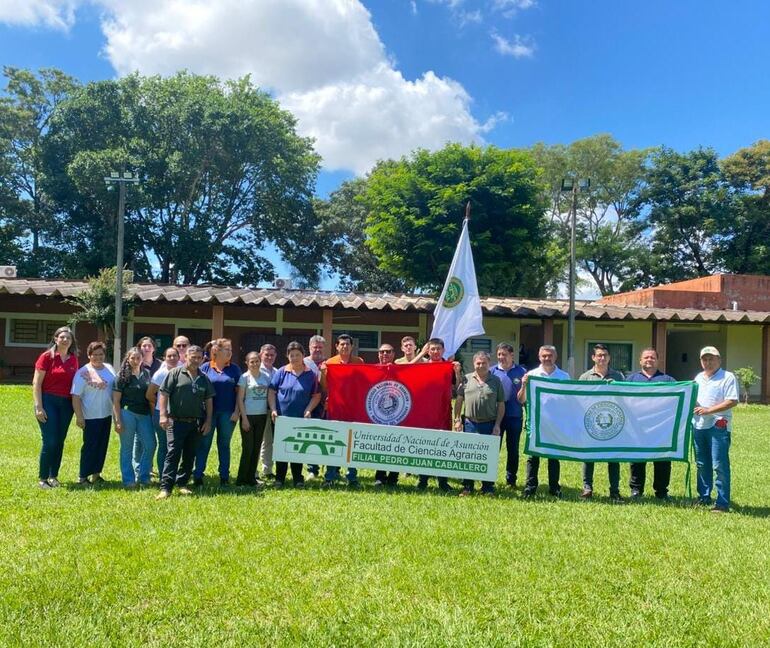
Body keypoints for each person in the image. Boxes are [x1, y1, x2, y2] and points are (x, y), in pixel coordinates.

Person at [156, 345, 214, 499]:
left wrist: (208, 421)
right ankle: (165, 487)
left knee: (190, 454)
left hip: (195, 423)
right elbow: (163, 394)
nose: (196, 360)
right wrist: (163, 415)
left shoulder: (204, 377)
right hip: (176, 422)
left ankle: (182, 483)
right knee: (173, 454)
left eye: (199, 358)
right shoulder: (175, 373)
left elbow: (209, 400)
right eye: (193, 357)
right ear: (186, 357)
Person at [517, 345, 570, 498]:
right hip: (536, 422)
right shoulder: (532, 375)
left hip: (555, 423)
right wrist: (524, 384)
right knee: (533, 456)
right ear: (539, 357)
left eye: (550, 355)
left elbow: (569, 400)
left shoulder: (564, 376)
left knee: (553, 456)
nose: (547, 358)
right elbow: (521, 399)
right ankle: (530, 486)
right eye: (544, 356)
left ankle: (554, 487)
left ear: (556, 356)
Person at [268, 341, 322, 488]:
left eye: (297, 355)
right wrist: (273, 408)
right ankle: (280, 478)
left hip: (300, 419)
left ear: (303, 356)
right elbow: (272, 391)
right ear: (287, 356)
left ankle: (298, 478)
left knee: (297, 449)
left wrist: (309, 409)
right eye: (292, 355)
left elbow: (316, 395)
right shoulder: (281, 372)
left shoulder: (310, 374)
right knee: (281, 449)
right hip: (281, 418)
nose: (295, 358)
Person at [692, 346, 738, 513]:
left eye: (711, 359)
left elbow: (732, 401)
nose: (708, 362)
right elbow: (694, 399)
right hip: (699, 425)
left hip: (719, 425)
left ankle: (722, 503)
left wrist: (708, 410)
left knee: (719, 465)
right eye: (705, 359)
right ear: (701, 361)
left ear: (719, 360)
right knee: (702, 464)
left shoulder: (727, 377)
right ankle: (704, 497)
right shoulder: (698, 378)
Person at [32, 326, 79, 489]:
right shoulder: (47, 357)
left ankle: (53, 476)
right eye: (62, 337)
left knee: (59, 441)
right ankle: (43, 478)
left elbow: (76, 383)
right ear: (56, 339)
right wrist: (38, 406)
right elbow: (36, 384)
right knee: (50, 440)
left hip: (66, 404)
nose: (65, 340)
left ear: (72, 341)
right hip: (48, 401)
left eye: (68, 338)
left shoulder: (73, 359)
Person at [626, 348, 676, 500]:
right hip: (637, 426)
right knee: (637, 460)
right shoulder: (631, 380)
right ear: (640, 361)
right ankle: (636, 490)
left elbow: (679, 398)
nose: (649, 359)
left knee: (662, 460)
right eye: (646, 357)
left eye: (652, 357)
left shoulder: (668, 380)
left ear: (657, 360)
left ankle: (661, 491)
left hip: (661, 428)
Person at [455, 351, 505, 496]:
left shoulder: (496, 381)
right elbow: (459, 400)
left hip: (489, 424)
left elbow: (501, 404)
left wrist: (497, 425)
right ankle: (467, 487)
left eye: (484, 363)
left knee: (488, 457)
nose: (481, 365)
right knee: (468, 456)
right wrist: (457, 420)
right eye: (478, 363)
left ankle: (487, 487)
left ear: (489, 364)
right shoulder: (466, 379)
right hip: (470, 423)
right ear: (474, 363)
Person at [579, 343, 625, 501]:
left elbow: (625, 399)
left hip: (613, 422)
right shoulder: (585, 377)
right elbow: (579, 400)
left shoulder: (618, 377)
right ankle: (587, 488)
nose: (602, 358)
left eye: (605, 355)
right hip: (591, 423)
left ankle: (614, 490)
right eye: (599, 355)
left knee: (613, 457)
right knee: (588, 456)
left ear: (609, 358)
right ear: (593, 357)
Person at [193, 338, 241, 486]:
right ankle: (198, 475)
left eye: (231, 350)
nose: (230, 352)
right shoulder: (205, 368)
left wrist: (237, 412)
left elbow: (240, 394)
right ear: (217, 351)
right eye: (227, 349)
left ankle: (224, 477)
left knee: (224, 445)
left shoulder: (235, 369)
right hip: (208, 414)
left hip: (228, 413)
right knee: (204, 444)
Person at [321, 334, 364, 488]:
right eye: (342, 344)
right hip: (335, 409)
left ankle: (352, 477)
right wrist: (323, 372)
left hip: (353, 409)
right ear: (337, 346)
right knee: (334, 443)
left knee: (352, 444)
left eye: (348, 344)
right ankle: (330, 476)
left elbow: (363, 384)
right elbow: (324, 386)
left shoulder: (359, 363)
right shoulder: (330, 363)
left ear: (352, 347)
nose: (345, 347)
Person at [71, 341, 115, 485]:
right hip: (90, 416)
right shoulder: (83, 372)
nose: (98, 357)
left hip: (106, 414)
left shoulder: (109, 368)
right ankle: (83, 476)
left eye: (101, 354)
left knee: (102, 446)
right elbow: (75, 396)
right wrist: (79, 417)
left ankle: (96, 475)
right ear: (89, 356)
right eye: (94, 355)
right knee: (90, 446)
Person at [416, 337, 455, 493]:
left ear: (443, 350)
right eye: (432, 349)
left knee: (442, 446)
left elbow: (457, 385)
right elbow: (408, 367)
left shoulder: (448, 366)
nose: (435, 352)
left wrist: (457, 372)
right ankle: (422, 480)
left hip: (443, 411)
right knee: (425, 446)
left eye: (438, 349)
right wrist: (421, 353)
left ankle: (443, 481)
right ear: (428, 350)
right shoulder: (423, 365)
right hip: (425, 411)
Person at [112, 347, 155, 488]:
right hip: (127, 413)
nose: (136, 361)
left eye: (138, 358)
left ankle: (143, 476)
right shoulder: (121, 376)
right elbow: (116, 401)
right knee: (127, 448)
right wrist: (117, 421)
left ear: (142, 359)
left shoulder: (147, 374)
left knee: (150, 445)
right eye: (133, 358)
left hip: (144, 415)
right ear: (128, 359)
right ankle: (128, 479)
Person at [490, 342, 527, 488]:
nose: (501, 357)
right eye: (499, 354)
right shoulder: (492, 371)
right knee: (493, 449)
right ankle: (489, 479)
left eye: (504, 354)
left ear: (512, 355)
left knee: (513, 450)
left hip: (514, 416)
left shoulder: (522, 371)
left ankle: (511, 480)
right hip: (495, 418)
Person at [146, 346, 181, 477]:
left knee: (176, 446)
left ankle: (174, 474)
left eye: (174, 356)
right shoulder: (160, 374)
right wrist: (161, 407)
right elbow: (149, 394)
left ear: (179, 357)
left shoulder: (183, 370)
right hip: (162, 415)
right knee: (164, 446)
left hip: (179, 415)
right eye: (169, 356)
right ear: (164, 358)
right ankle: (163, 475)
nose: (172, 358)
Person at [236, 351, 270, 486]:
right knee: (247, 448)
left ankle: (251, 478)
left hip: (261, 416)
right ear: (247, 363)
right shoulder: (244, 378)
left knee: (256, 448)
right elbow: (240, 398)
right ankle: (241, 479)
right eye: (252, 361)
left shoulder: (266, 377)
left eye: (257, 361)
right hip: (248, 416)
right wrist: (243, 418)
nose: (255, 364)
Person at [373, 343, 401, 488]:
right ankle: (380, 476)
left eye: (388, 352)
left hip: (398, 413)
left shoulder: (401, 369)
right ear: (378, 354)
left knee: (396, 446)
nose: (385, 354)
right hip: (378, 414)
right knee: (381, 446)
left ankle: (393, 477)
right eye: (382, 352)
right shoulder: (373, 370)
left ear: (393, 354)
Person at [304, 334, 327, 479]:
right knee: (311, 437)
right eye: (315, 347)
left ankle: (332, 469)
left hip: (325, 405)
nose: (317, 350)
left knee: (326, 437)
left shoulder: (328, 363)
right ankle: (312, 469)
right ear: (309, 347)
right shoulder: (303, 362)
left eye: (320, 347)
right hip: (308, 405)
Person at [258, 343, 278, 479]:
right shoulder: (255, 370)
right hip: (257, 411)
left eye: (272, 355)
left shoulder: (277, 372)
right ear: (261, 355)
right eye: (267, 355)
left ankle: (267, 469)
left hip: (271, 411)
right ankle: (253, 471)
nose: (269, 357)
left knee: (269, 441)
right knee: (256, 441)